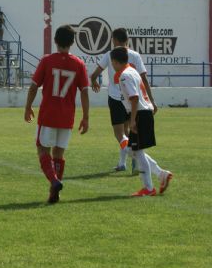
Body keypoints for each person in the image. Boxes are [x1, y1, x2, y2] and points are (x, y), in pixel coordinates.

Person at [24, 25, 89, 204]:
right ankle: (54, 192)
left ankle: (54, 181)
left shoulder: (47, 60)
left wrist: (28, 107)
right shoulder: (79, 64)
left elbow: (34, 87)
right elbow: (84, 91)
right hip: (67, 116)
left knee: (42, 150)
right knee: (58, 155)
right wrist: (86, 117)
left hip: (48, 114)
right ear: (72, 43)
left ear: (55, 40)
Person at [90, 27, 158, 173]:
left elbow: (95, 73)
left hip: (116, 99)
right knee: (128, 132)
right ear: (127, 39)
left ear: (114, 40)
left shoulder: (110, 54)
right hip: (130, 100)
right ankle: (123, 163)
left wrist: (94, 81)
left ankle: (138, 158)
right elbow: (144, 79)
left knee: (120, 135)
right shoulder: (135, 55)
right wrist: (151, 100)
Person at [110, 47, 173, 196]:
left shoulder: (125, 75)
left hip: (139, 114)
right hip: (144, 113)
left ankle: (149, 188)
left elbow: (134, 98)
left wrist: (132, 120)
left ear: (114, 61)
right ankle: (161, 174)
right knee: (134, 150)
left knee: (137, 152)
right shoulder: (133, 71)